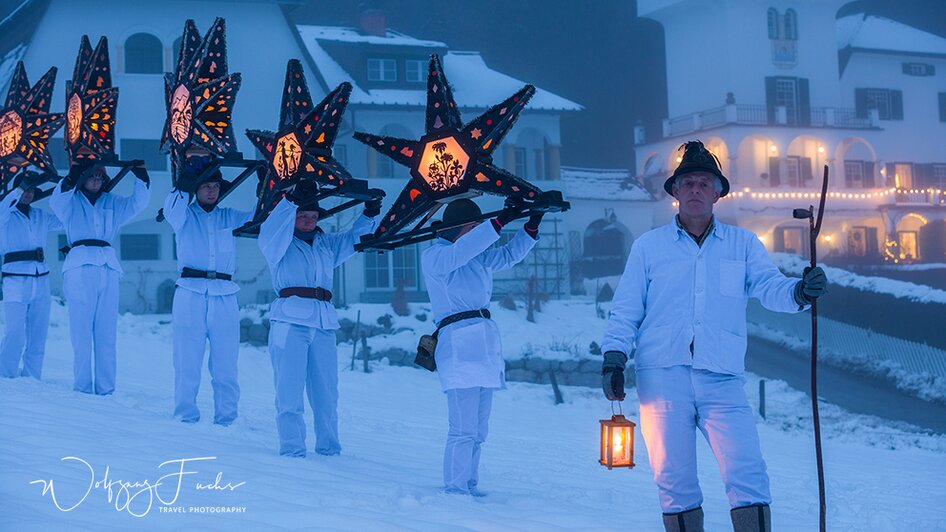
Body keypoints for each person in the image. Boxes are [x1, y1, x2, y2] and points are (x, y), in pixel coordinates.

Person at [600, 141, 827, 532]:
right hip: (662, 376)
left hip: (722, 376)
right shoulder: (648, 248)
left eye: (704, 183)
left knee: (748, 471)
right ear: (675, 192)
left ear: (718, 192)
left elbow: (770, 287)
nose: (695, 190)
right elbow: (626, 309)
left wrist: (799, 292)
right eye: (687, 183)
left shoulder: (743, 245)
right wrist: (614, 357)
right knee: (674, 478)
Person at [421, 198, 542, 496]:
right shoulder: (435, 256)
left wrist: (531, 223)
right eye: (472, 229)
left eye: (479, 229)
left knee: (478, 431)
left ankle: (470, 485)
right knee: (462, 428)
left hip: (484, 346)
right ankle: (455, 488)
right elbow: (460, 252)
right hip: (458, 345)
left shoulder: (476, 257)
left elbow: (508, 256)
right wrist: (497, 222)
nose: (477, 236)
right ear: (458, 228)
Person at [258, 180, 381, 457]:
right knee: (289, 390)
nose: (308, 221)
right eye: (302, 216)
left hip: (323, 323)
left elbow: (354, 239)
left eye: (312, 217)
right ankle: (292, 449)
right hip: (290, 321)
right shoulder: (278, 242)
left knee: (327, 393)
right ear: (293, 217)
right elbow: (270, 226)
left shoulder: (326, 243)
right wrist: (290, 201)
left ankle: (329, 448)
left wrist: (370, 214)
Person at [163, 158, 253, 425]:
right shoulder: (184, 216)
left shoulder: (230, 217)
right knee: (187, 360)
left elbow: (260, 217)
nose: (212, 191)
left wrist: (266, 188)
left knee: (226, 363)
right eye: (206, 186)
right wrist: (183, 182)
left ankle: (227, 418)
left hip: (224, 294)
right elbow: (172, 209)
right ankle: (185, 416)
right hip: (190, 292)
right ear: (196, 188)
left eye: (215, 186)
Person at [50, 162, 151, 395]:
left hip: (107, 265)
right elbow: (57, 200)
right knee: (82, 330)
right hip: (80, 265)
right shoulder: (71, 202)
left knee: (106, 332)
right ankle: (83, 387)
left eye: (99, 177)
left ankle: (106, 388)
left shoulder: (112, 202)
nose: (96, 181)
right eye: (91, 176)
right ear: (82, 179)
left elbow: (138, 204)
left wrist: (141, 178)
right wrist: (69, 179)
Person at [0, 173, 62, 379]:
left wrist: (70, 189)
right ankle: (6, 374)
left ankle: (33, 376)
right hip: (15, 279)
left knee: (38, 333)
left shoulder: (40, 216)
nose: (27, 194)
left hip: (41, 277)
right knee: (15, 331)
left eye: (30, 190)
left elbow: (66, 220)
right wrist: (16, 190)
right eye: (24, 190)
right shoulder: (5, 215)